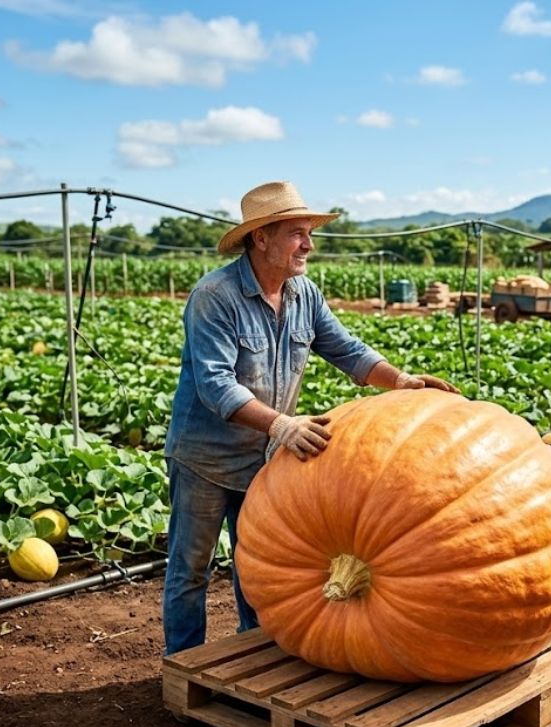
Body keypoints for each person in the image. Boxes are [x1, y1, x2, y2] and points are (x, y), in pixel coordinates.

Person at [161, 181, 458, 657]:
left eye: (308, 233)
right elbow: (216, 385)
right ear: (261, 238)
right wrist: (282, 425)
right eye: (297, 233)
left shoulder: (304, 294)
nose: (309, 245)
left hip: (265, 459)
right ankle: (180, 664)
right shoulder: (214, 297)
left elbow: (347, 350)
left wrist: (400, 380)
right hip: (205, 459)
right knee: (191, 569)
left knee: (258, 567)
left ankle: (253, 660)